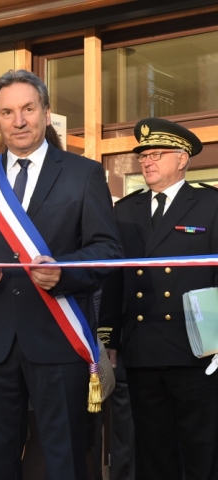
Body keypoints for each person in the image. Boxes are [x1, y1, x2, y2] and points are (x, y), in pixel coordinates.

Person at [0, 69, 122, 480]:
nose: (18, 121)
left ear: (46, 112)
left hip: (58, 335)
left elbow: (108, 249)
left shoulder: (83, 173)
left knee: (64, 458)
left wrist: (64, 272)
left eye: (28, 109)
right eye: (7, 112)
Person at [99, 117, 218, 480]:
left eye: (157, 154)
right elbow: (114, 278)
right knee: (153, 449)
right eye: (143, 156)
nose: (147, 162)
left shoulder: (210, 203)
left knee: (201, 448)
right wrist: (109, 337)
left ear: (182, 159)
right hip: (143, 348)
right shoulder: (126, 210)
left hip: (198, 349)